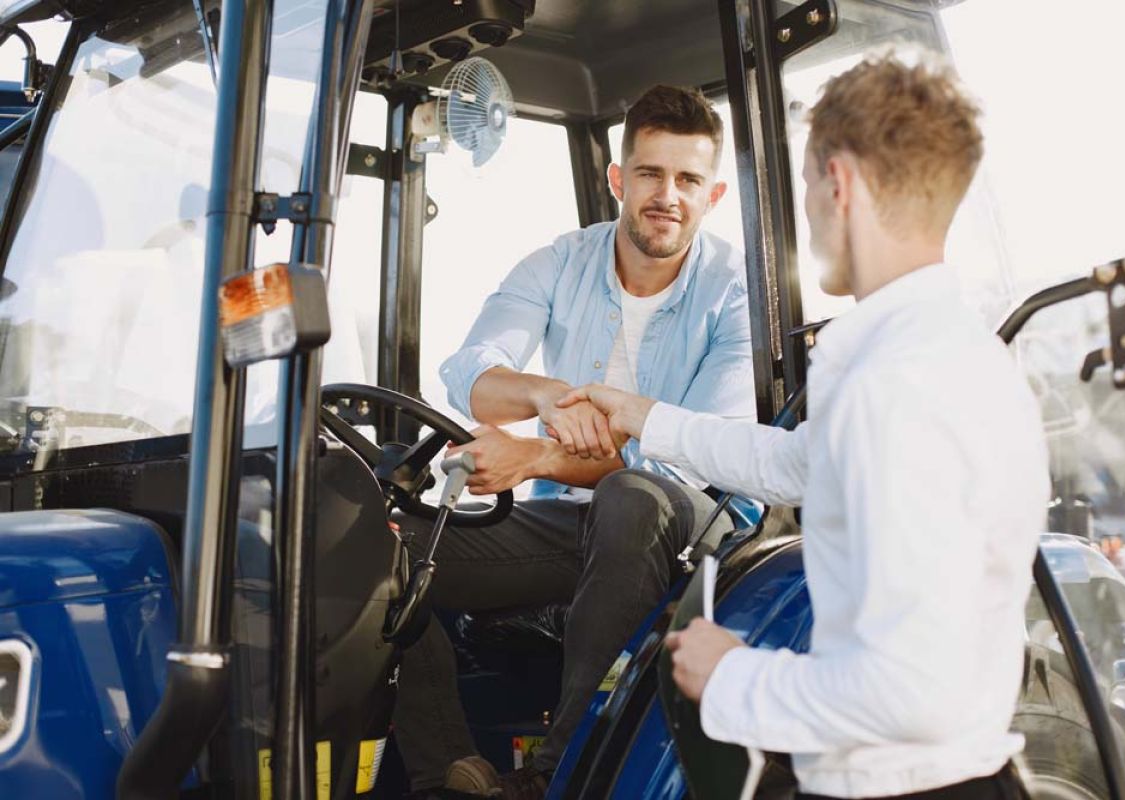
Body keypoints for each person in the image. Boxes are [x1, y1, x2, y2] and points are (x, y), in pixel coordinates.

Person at [560, 50, 1048, 800]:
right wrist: (642, 416)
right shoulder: (944, 355)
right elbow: (797, 465)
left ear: (839, 184)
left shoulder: (897, 385)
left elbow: (911, 692)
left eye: (809, 186)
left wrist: (729, 675)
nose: (809, 214)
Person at [393, 84, 756, 798]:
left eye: (687, 180)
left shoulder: (738, 291)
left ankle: (556, 779)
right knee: (384, 549)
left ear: (711, 197)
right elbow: (466, 372)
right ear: (620, 180)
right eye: (650, 174)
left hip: (703, 533)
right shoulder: (562, 262)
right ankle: (445, 778)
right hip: (581, 523)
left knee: (632, 496)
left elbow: (695, 454)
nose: (667, 195)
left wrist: (537, 456)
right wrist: (540, 395)